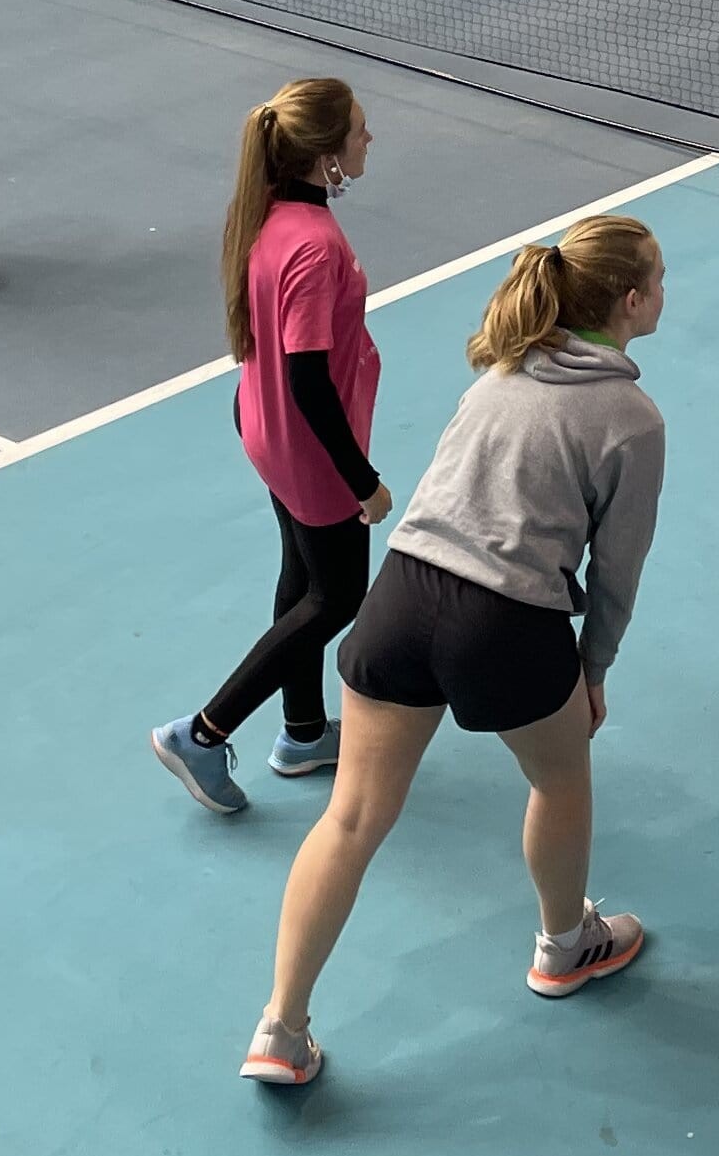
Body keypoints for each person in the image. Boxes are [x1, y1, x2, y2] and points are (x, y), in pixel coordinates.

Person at [240, 217, 671, 1089]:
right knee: (560, 779)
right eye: (660, 280)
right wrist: (592, 671)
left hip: (401, 598)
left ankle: (279, 1031)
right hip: (505, 624)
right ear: (629, 302)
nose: (665, 293)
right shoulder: (631, 419)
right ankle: (563, 946)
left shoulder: (498, 376)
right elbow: (617, 571)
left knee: (352, 818)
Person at [153, 79, 388, 816]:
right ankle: (202, 732)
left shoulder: (272, 216)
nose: (369, 139)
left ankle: (301, 734)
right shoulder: (315, 246)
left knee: (303, 580)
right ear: (327, 158)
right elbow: (310, 377)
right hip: (310, 448)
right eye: (359, 130)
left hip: (262, 426)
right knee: (336, 598)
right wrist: (363, 481)